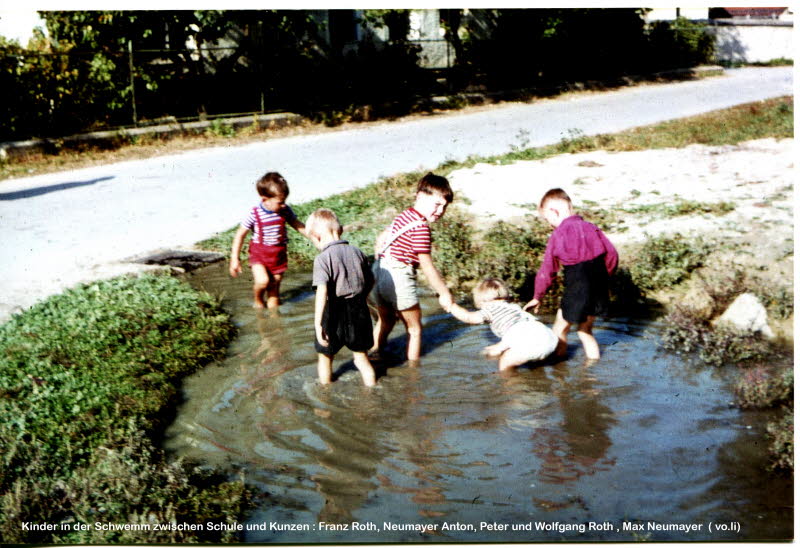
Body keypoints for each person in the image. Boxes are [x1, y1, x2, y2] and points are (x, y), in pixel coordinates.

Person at [524, 188, 618, 360]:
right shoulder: (592, 228)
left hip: (577, 287)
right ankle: (593, 372)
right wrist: (605, 277)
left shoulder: (558, 234)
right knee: (585, 331)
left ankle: (558, 367)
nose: (549, 224)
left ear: (554, 211)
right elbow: (612, 255)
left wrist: (538, 296)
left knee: (559, 330)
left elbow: (548, 270)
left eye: (547, 219)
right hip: (599, 286)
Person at [370, 172, 454, 363]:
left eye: (445, 206)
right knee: (415, 329)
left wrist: (379, 260)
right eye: (437, 204)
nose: (440, 210)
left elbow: (381, 239)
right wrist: (444, 293)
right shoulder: (421, 228)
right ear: (420, 196)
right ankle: (413, 374)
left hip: (379, 274)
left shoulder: (405, 215)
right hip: (398, 277)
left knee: (386, 320)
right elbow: (426, 265)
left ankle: (374, 352)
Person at [307, 208, 376, 387]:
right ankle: (372, 390)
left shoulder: (322, 259)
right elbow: (370, 280)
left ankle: (326, 393)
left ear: (316, 236)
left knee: (325, 358)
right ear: (341, 229)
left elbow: (322, 292)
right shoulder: (358, 252)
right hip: (358, 309)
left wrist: (317, 324)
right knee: (362, 359)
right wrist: (363, 298)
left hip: (333, 311)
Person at [229, 172, 307, 309]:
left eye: (284, 201)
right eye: (280, 202)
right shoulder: (255, 213)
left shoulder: (284, 210)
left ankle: (273, 321)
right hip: (260, 255)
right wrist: (235, 258)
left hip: (278, 255)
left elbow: (297, 224)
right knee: (263, 281)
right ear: (265, 199)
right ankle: (258, 299)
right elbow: (240, 235)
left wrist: (315, 236)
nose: (283, 205)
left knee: (274, 292)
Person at [445, 278, 558, 371]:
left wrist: (452, 307)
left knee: (505, 362)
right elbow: (517, 331)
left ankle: (508, 389)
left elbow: (469, 317)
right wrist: (499, 347)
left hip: (528, 339)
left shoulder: (489, 308)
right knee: (535, 361)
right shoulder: (513, 306)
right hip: (547, 335)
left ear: (481, 301)